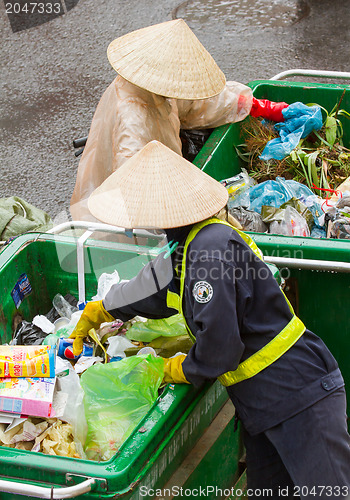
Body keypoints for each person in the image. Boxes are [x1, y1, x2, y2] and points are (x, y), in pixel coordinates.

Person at [70, 140, 350, 498]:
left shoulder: (207, 252)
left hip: (298, 397)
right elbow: (155, 286)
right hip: (263, 405)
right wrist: (103, 309)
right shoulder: (190, 243)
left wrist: (177, 369)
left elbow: (220, 350)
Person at [70, 19, 288, 220]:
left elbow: (197, 103)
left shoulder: (158, 84)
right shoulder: (132, 117)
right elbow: (136, 190)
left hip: (163, 181)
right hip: (128, 214)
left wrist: (256, 106)